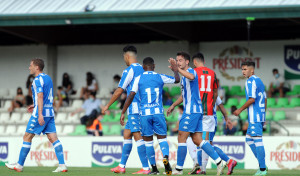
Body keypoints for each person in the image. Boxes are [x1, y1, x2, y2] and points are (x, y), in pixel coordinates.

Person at [5, 58, 67, 172]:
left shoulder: (37, 80)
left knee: (27, 136)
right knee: (53, 138)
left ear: (37, 67)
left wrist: (39, 114)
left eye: (31, 65)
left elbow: (40, 96)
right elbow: (48, 96)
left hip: (41, 113)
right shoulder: (48, 78)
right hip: (50, 112)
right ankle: (62, 165)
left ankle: (19, 165)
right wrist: (35, 104)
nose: (29, 67)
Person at [167, 52, 224, 175]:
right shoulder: (184, 75)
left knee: (181, 136)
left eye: (181, 60)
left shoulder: (192, 71)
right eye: (177, 60)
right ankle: (219, 162)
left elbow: (192, 77)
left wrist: (177, 70)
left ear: (188, 62)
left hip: (192, 110)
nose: (178, 62)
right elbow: (183, 96)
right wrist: (173, 105)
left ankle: (179, 169)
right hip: (196, 111)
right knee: (198, 140)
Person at [121, 57, 180, 175]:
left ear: (143, 67)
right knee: (162, 139)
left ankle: (154, 168)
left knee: (148, 142)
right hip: (158, 113)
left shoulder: (138, 78)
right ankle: (166, 158)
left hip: (145, 114)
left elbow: (131, 95)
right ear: (154, 66)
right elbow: (177, 80)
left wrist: (123, 111)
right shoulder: (160, 76)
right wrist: (175, 70)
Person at [101, 45, 150, 174]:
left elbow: (119, 91)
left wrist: (107, 105)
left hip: (135, 109)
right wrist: (124, 111)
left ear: (126, 56)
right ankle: (121, 166)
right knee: (127, 134)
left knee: (137, 136)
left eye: (123, 56)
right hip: (139, 108)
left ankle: (145, 168)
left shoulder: (129, 70)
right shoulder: (143, 68)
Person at [233, 61, 267, 176]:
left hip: (255, 116)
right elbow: (265, 99)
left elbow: (252, 99)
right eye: (242, 69)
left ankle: (262, 169)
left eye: (245, 69)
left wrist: (239, 110)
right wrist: (264, 115)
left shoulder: (250, 81)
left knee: (257, 141)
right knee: (249, 139)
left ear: (251, 70)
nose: (243, 71)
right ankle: (262, 164)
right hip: (259, 115)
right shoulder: (259, 80)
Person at [194, 96, 236, 175]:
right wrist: (226, 118)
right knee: (203, 144)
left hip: (208, 121)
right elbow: (221, 106)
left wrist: (226, 118)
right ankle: (201, 169)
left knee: (203, 144)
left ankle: (228, 161)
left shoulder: (205, 91)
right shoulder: (212, 92)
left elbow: (220, 106)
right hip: (207, 120)